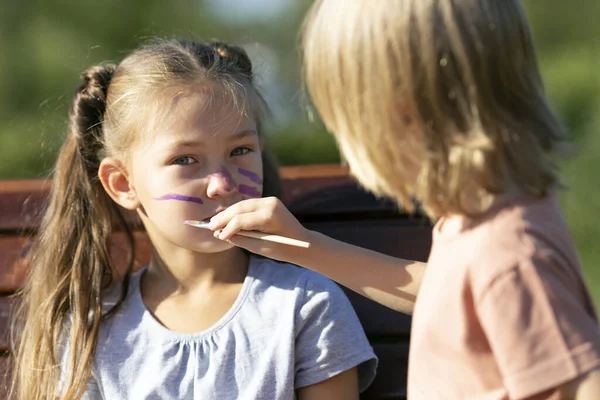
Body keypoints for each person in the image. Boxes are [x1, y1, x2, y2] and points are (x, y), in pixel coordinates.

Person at [207, 1, 600, 398]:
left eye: (343, 117)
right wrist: (304, 246)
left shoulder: (509, 257)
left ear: (401, 112)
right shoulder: (481, 221)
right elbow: (452, 295)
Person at [11, 38, 377, 400]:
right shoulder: (90, 332)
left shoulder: (305, 304)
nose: (223, 184)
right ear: (123, 184)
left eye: (240, 151)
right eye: (185, 159)